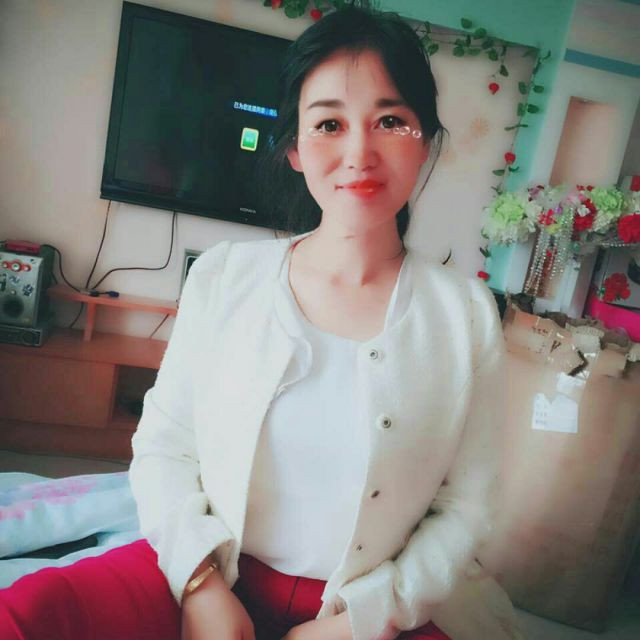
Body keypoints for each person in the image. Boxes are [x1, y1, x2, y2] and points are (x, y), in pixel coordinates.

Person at [0, 5, 524, 640]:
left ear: (426, 143)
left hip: (370, 604)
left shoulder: (466, 317)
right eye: (328, 123)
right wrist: (200, 585)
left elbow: (467, 506)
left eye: (391, 121)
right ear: (295, 149)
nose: (358, 152)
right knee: (24, 616)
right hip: (210, 567)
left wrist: (362, 624)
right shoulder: (225, 277)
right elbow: (165, 445)